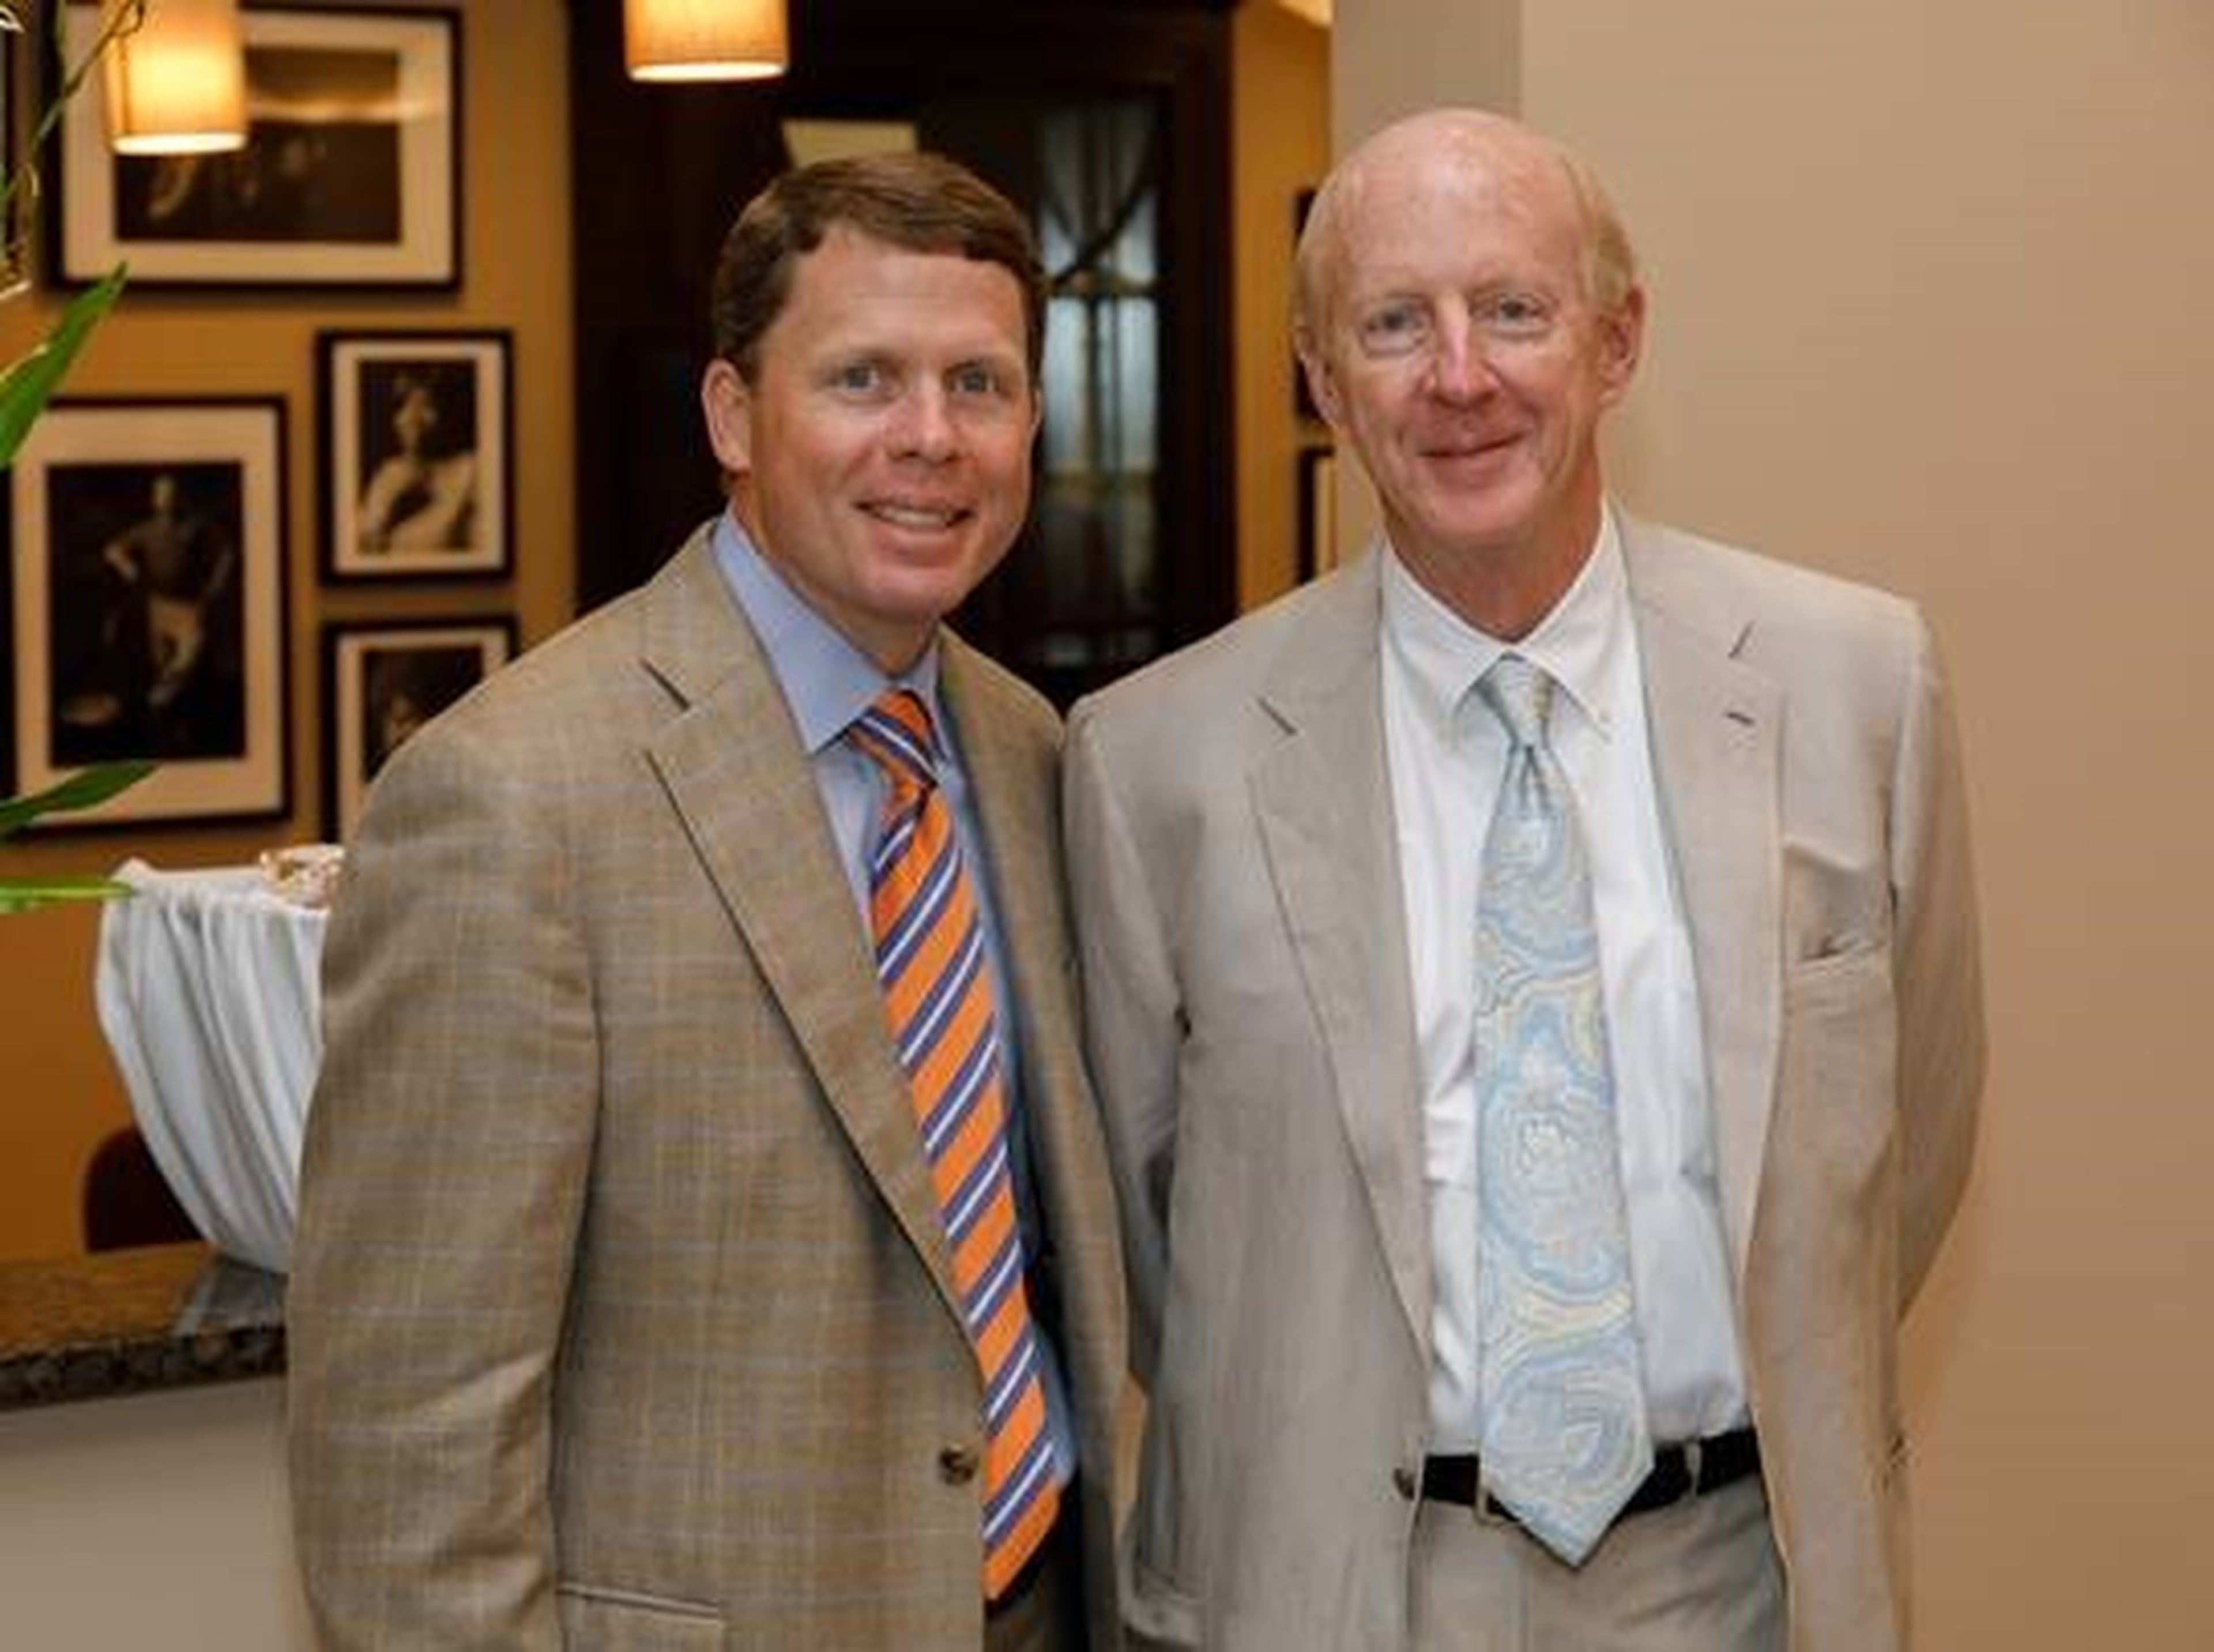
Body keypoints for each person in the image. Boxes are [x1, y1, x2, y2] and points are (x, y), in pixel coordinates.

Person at [1063, 108, 1983, 1652]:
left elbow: (1912, 1149)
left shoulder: (1854, 688)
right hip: (1334, 1592)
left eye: (1511, 309)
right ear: (1323, 382)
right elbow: (1159, 1257)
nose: (1459, 376)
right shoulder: (1157, 760)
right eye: (1392, 324)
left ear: (1615, 343)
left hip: (1741, 1583)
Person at [288, 151, 1127, 1651]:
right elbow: (410, 1451)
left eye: (980, 385)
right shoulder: (511, 798)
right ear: (733, 414)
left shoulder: (1032, 752)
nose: (931, 438)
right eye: (863, 378)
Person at [354, 368, 478, 554]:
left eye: (427, 405)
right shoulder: (388, 474)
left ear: (452, 410)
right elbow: (363, 554)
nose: (411, 417)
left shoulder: (473, 472)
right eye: (402, 404)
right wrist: (383, 512)